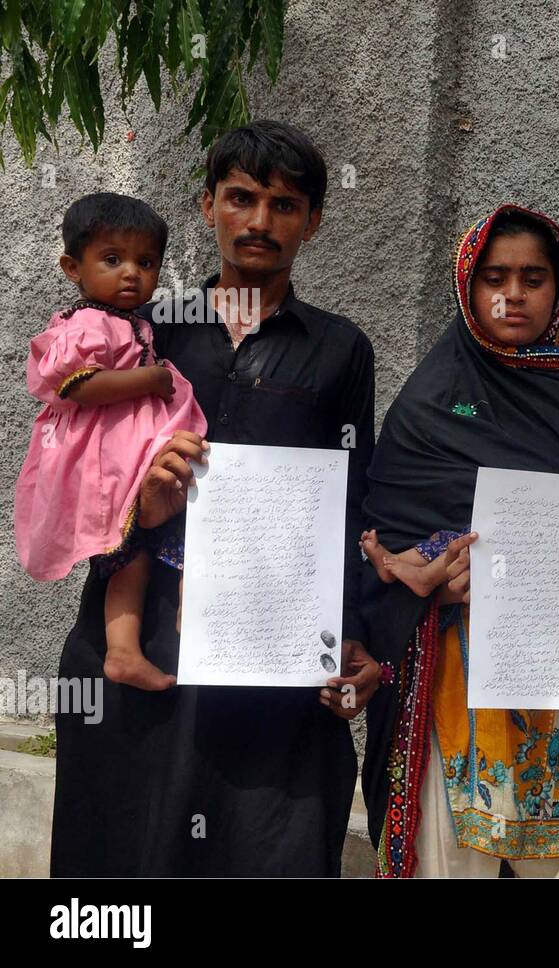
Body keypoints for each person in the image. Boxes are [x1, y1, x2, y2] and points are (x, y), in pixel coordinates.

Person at [49, 120, 379, 876]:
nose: (260, 222)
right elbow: (73, 469)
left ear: (313, 222)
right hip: (138, 637)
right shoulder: (142, 332)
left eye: (285, 205)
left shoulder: (340, 349)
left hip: (271, 652)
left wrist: (356, 632)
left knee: (268, 843)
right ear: (207, 207)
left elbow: (353, 497)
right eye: (241, 198)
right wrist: (142, 502)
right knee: (122, 853)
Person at [360, 204, 559, 878]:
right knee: (451, 862)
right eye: (495, 277)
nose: (514, 294)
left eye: (533, 278)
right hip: (460, 679)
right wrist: (423, 573)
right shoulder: (430, 402)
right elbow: (383, 541)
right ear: (468, 287)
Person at [15, 192, 207, 691]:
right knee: (127, 551)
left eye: (146, 262)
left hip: (131, 463)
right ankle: (122, 649)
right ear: (72, 266)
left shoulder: (131, 322)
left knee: (141, 550)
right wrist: (151, 380)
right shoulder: (85, 323)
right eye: (113, 259)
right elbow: (76, 385)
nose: (131, 274)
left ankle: (138, 644)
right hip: (105, 468)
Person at [359, 462, 559, 598]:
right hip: (516, 544)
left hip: (526, 567)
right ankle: (396, 563)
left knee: (470, 546)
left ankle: (423, 579)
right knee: (453, 539)